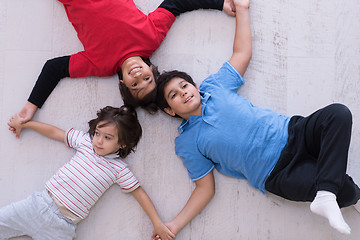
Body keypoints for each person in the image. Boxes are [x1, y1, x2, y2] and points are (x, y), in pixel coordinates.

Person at [155, 0, 360, 236]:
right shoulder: (186, 143)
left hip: (294, 133)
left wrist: (242, 9)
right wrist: (174, 225)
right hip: (277, 174)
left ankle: (325, 193)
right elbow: (204, 188)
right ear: (170, 110)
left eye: (184, 85)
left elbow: (242, 53)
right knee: (344, 189)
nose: (183, 92)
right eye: (174, 95)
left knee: (339, 113)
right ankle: (336, 192)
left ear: (194, 85)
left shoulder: (214, 87)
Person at [13, 0, 236, 128]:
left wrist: (30, 107)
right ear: (151, 69)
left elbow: (54, 68)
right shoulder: (151, 38)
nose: (138, 75)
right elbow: (176, 3)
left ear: (123, 82)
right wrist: (220, 3)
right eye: (147, 78)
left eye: (135, 84)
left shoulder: (100, 65)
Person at [3, 106, 175, 240]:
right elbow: (55, 132)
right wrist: (26, 125)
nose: (99, 141)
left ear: (122, 143)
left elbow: (140, 194)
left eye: (108, 138)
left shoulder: (119, 169)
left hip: (63, 226)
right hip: (38, 206)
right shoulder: (85, 142)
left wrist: (157, 223)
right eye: (97, 133)